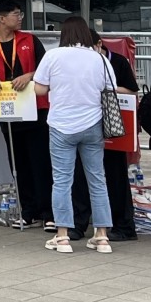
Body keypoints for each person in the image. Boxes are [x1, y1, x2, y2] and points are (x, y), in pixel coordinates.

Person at [32, 16, 115, 255]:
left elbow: (39, 89)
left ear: (64, 34)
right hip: (93, 124)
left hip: (61, 125)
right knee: (97, 180)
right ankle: (102, 237)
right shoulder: (99, 58)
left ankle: (62, 237)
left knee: (62, 181)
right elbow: (109, 88)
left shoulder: (53, 56)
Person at [0, 0, 52, 229]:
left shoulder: (30, 40)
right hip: (8, 111)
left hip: (36, 109)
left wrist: (29, 75)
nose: (20, 18)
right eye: (16, 14)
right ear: (1, 19)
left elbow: (45, 69)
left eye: (20, 14)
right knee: (18, 163)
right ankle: (28, 211)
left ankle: (49, 212)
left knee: (41, 162)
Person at [70, 36, 137, 242]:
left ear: (99, 44)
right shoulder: (77, 63)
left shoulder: (117, 62)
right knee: (80, 175)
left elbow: (132, 90)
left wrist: (106, 89)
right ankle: (78, 224)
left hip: (111, 126)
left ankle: (123, 226)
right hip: (85, 124)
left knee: (114, 175)